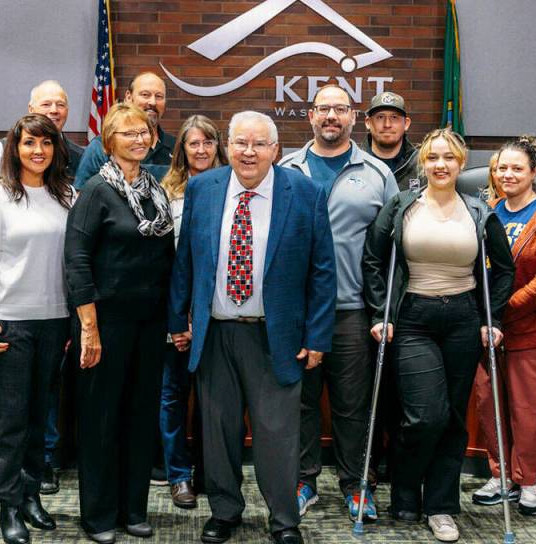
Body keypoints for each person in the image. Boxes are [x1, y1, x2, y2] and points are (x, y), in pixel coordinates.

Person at [169, 111, 336, 544]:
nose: (249, 152)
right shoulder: (204, 188)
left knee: (277, 435)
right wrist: (177, 320)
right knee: (218, 432)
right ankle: (224, 511)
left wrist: (318, 336)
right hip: (215, 334)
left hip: (276, 336)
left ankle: (284, 520)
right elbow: (185, 261)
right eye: (240, 142)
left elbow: (323, 271)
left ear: (275, 150)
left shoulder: (304, 192)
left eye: (259, 144)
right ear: (228, 146)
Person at [362, 128, 514, 542]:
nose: (440, 165)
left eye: (449, 158)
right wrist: (380, 312)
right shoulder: (401, 205)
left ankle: (441, 506)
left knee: (451, 419)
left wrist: (494, 319)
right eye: (433, 158)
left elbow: (504, 270)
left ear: (461, 164)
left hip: (464, 318)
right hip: (413, 317)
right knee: (424, 415)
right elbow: (373, 259)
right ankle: (405, 489)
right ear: (423, 163)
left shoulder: (479, 211)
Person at [277, 84, 397, 522]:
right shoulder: (286, 169)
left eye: (340, 109)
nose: (331, 116)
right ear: (310, 115)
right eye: (323, 108)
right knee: (301, 403)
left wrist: (384, 309)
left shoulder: (377, 173)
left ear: (353, 117)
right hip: (297, 312)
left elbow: (392, 248)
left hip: (352, 309)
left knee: (352, 405)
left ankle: (356, 484)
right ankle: (303, 481)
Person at [0, 79, 84, 502]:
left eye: (46, 143)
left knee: (38, 418)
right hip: (8, 323)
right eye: (29, 143)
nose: (38, 151)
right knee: (11, 420)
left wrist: (74, 321)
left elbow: (73, 262)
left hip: (54, 320)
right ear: (14, 149)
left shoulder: (67, 195)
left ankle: (31, 498)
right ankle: (9, 505)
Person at [64, 103, 175, 544]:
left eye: (144, 132)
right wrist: (88, 327)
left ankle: (133, 510)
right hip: (104, 324)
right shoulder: (96, 190)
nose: (139, 139)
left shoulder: (154, 191)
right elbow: (76, 261)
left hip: (149, 324)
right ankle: (98, 515)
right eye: (128, 133)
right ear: (109, 141)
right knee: (101, 419)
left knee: (140, 416)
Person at [470, 136, 536, 516]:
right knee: (489, 404)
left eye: (517, 168)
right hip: (489, 331)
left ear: (535, 173)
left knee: (527, 411)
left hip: (533, 332)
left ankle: (529, 481)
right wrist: (485, 317)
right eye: (502, 168)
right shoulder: (488, 211)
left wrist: (500, 311)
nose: (508, 175)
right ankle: (501, 477)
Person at [158, 114, 228, 509]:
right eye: (193, 143)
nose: (201, 150)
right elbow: (165, 261)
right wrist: (178, 316)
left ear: (218, 146)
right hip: (175, 309)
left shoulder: (233, 186)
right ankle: (178, 476)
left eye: (208, 142)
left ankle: (208, 471)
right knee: (173, 395)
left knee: (213, 399)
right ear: (181, 150)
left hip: (217, 311)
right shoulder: (165, 192)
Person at [74, 72, 175, 188]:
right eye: (145, 95)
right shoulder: (101, 146)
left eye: (159, 96)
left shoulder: (177, 147)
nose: (153, 102)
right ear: (128, 97)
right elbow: (83, 194)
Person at [364, 91, 422, 192]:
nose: (387, 124)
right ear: (368, 123)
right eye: (380, 117)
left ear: (406, 123)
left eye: (394, 117)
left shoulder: (422, 165)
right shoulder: (353, 163)